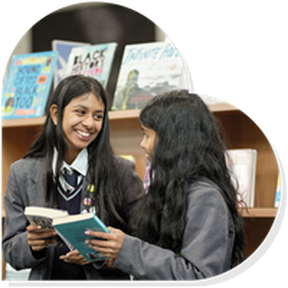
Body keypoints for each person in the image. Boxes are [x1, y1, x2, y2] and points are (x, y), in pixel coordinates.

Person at [85, 90, 247, 281]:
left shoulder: (205, 197)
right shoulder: (171, 190)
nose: (143, 144)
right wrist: (117, 255)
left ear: (172, 141)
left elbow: (198, 274)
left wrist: (127, 250)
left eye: (146, 135)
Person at [1, 75, 144, 281]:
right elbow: (10, 250)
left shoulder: (121, 171)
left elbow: (144, 242)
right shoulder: (21, 173)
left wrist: (102, 253)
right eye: (81, 112)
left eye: (98, 116)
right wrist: (32, 244)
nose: (89, 123)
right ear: (56, 114)